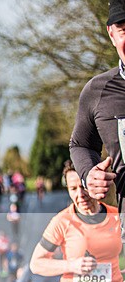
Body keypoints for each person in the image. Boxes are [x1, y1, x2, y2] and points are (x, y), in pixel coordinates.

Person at [69, 1, 125, 236]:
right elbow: (81, 145)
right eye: (124, 30)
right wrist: (88, 174)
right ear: (111, 34)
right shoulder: (98, 91)